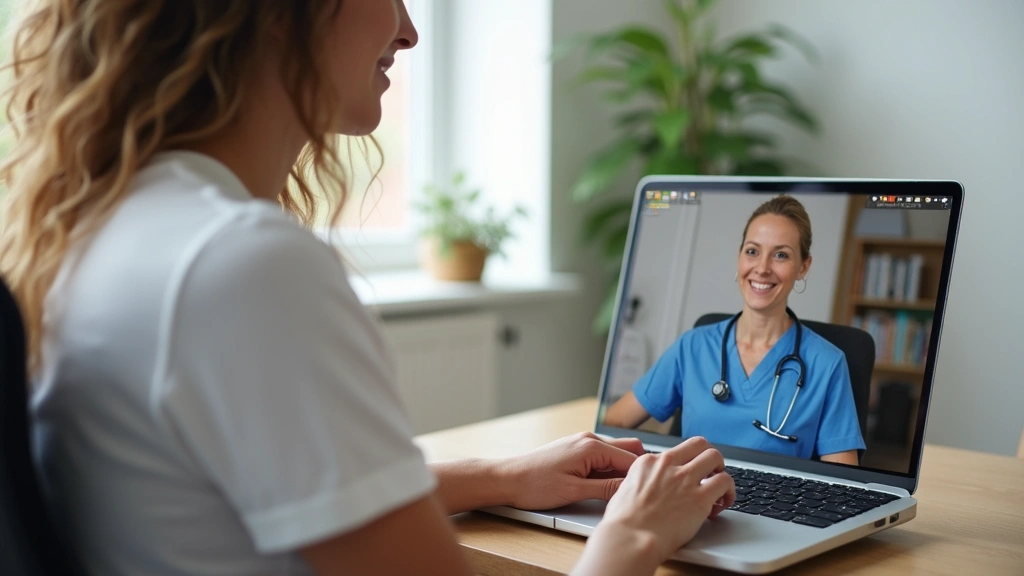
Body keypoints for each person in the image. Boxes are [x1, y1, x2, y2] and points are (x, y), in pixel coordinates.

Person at [0, 1, 735, 575]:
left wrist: (498, 475)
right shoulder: (240, 267)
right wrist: (639, 529)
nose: (409, 30)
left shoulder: (102, 232)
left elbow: (222, 493)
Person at [604, 195, 865, 466]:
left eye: (781, 255)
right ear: (739, 257)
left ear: (803, 267)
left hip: (775, 504)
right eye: (752, 251)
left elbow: (843, 479)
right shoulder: (693, 347)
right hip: (690, 497)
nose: (762, 268)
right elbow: (615, 421)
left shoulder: (827, 364)